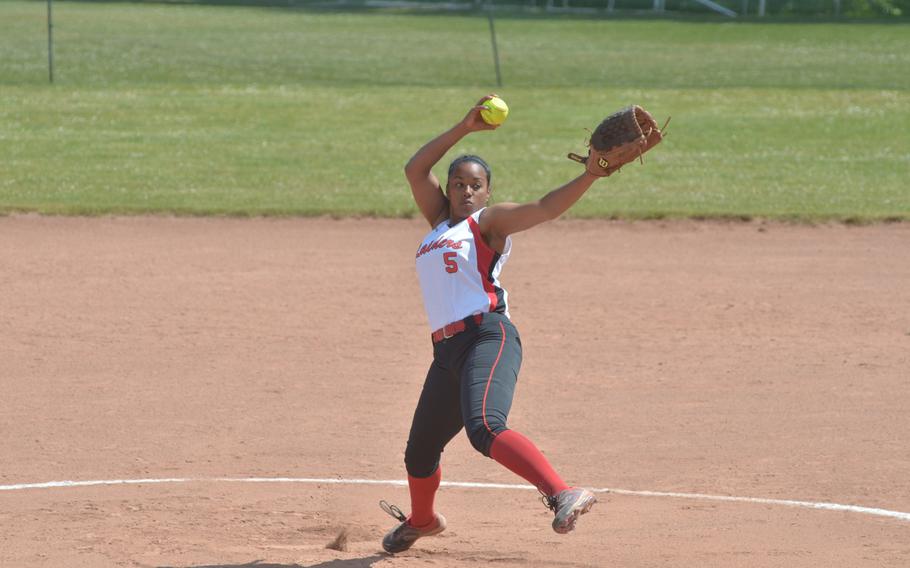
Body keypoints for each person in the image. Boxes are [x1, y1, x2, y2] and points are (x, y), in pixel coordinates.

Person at [381, 95, 599, 554]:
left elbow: (544, 207)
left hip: (487, 336)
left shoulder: (487, 223)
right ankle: (423, 521)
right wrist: (464, 126)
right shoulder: (439, 224)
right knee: (419, 453)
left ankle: (562, 493)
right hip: (446, 354)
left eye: (474, 185)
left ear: (486, 192)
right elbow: (414, 170)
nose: (464, 191)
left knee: (485, 427)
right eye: (457, 183)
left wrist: (590, 174)